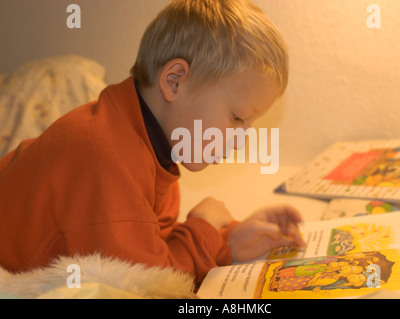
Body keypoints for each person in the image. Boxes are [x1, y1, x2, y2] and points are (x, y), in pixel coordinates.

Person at [0, 0, 305, 283]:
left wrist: (229, 243)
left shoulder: (152, 146)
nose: (240, 141)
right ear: (174, 81)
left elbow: (154, 248)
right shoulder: (105, 156)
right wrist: (205, 226)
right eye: (237, 118)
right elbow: (151, 285)